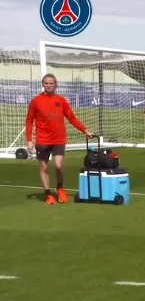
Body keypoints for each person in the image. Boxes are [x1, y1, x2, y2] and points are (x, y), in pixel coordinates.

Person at [25, 73, 94, 205]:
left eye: (51, 83)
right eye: (46, 83)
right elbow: (29, 121)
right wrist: (29, 139)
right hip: (43, 140)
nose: (49, 85)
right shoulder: (36, 101)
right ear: (43, 84)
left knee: (58, 166)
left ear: (55, 84)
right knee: (44, 168)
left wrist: (84, 130)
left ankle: (60, 187)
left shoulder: (61, 100)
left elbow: (71, 118)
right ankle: (48, 194)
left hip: (58, 139)